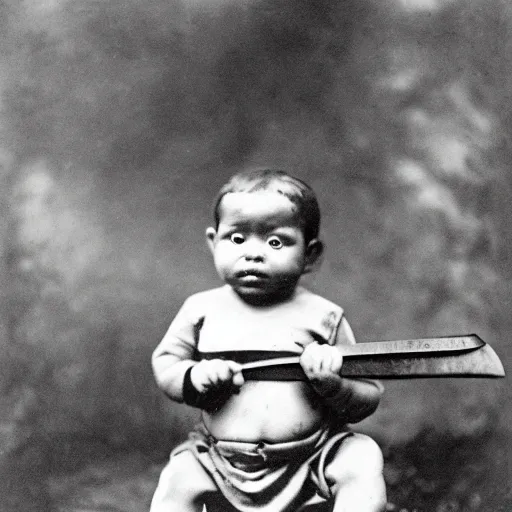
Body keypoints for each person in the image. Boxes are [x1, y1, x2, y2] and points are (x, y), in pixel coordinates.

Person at [150, 169, 386, 512]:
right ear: (213, 242)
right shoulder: (200, 310)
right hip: (219, 460)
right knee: (179, 478)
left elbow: (368, 393)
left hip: (310, 457)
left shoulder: (323, 317)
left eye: (276, 241)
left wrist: (333, 384)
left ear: (310, 254)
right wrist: (194, 377)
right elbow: (166, 363)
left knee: (361, 457)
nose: (254, 253)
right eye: (236, 239)